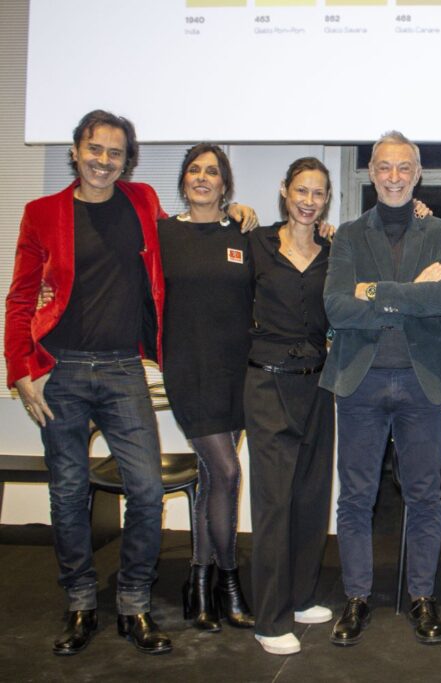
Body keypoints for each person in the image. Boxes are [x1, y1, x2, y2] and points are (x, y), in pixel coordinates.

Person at [4, 109, 175, 656]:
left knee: (147, 490)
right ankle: (80, 603)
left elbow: (182, 241)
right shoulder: (42, 213)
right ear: (76, 151)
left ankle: (133, 604)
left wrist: (233, 214)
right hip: (62, 371)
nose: (104, 161)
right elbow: (21, 298)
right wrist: (21, 371)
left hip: (126, 369)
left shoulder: (143, 202)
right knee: (69, 494)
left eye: (116, 153)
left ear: (128, 161)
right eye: (95, 149)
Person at [321, 131, 441, 647]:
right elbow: (336, 306)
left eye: (404, 167)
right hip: (359, 382)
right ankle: (357, 598)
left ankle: (422, 597)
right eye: (385, 167)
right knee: (357, 497)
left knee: (424, 497)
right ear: (372, 173)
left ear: (418, 173)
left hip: (422, 383)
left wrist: (373, 291)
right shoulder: (350, 236)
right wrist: (409, 292)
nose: (395, 177)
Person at [159, 144, 255, 632]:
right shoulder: (162, 234)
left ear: (225, 184)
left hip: (237, 375)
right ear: (183, 181)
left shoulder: (243, 232)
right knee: (227, 471)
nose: (202, 178)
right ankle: (229, 582)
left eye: (212, 172)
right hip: (188, 373)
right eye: (194, 170)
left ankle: (198, 583)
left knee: (212, 479)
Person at [246, 157, 336, 656]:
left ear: (327, 200)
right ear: (284, 191)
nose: (308, 200)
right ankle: (270, 618)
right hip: (267, 386)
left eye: (318, 193)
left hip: (318, 386)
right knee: (274, 504)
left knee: (310, 497)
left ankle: (301, 598)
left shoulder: (332, 251)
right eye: (301, 190)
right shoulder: (255, 244)